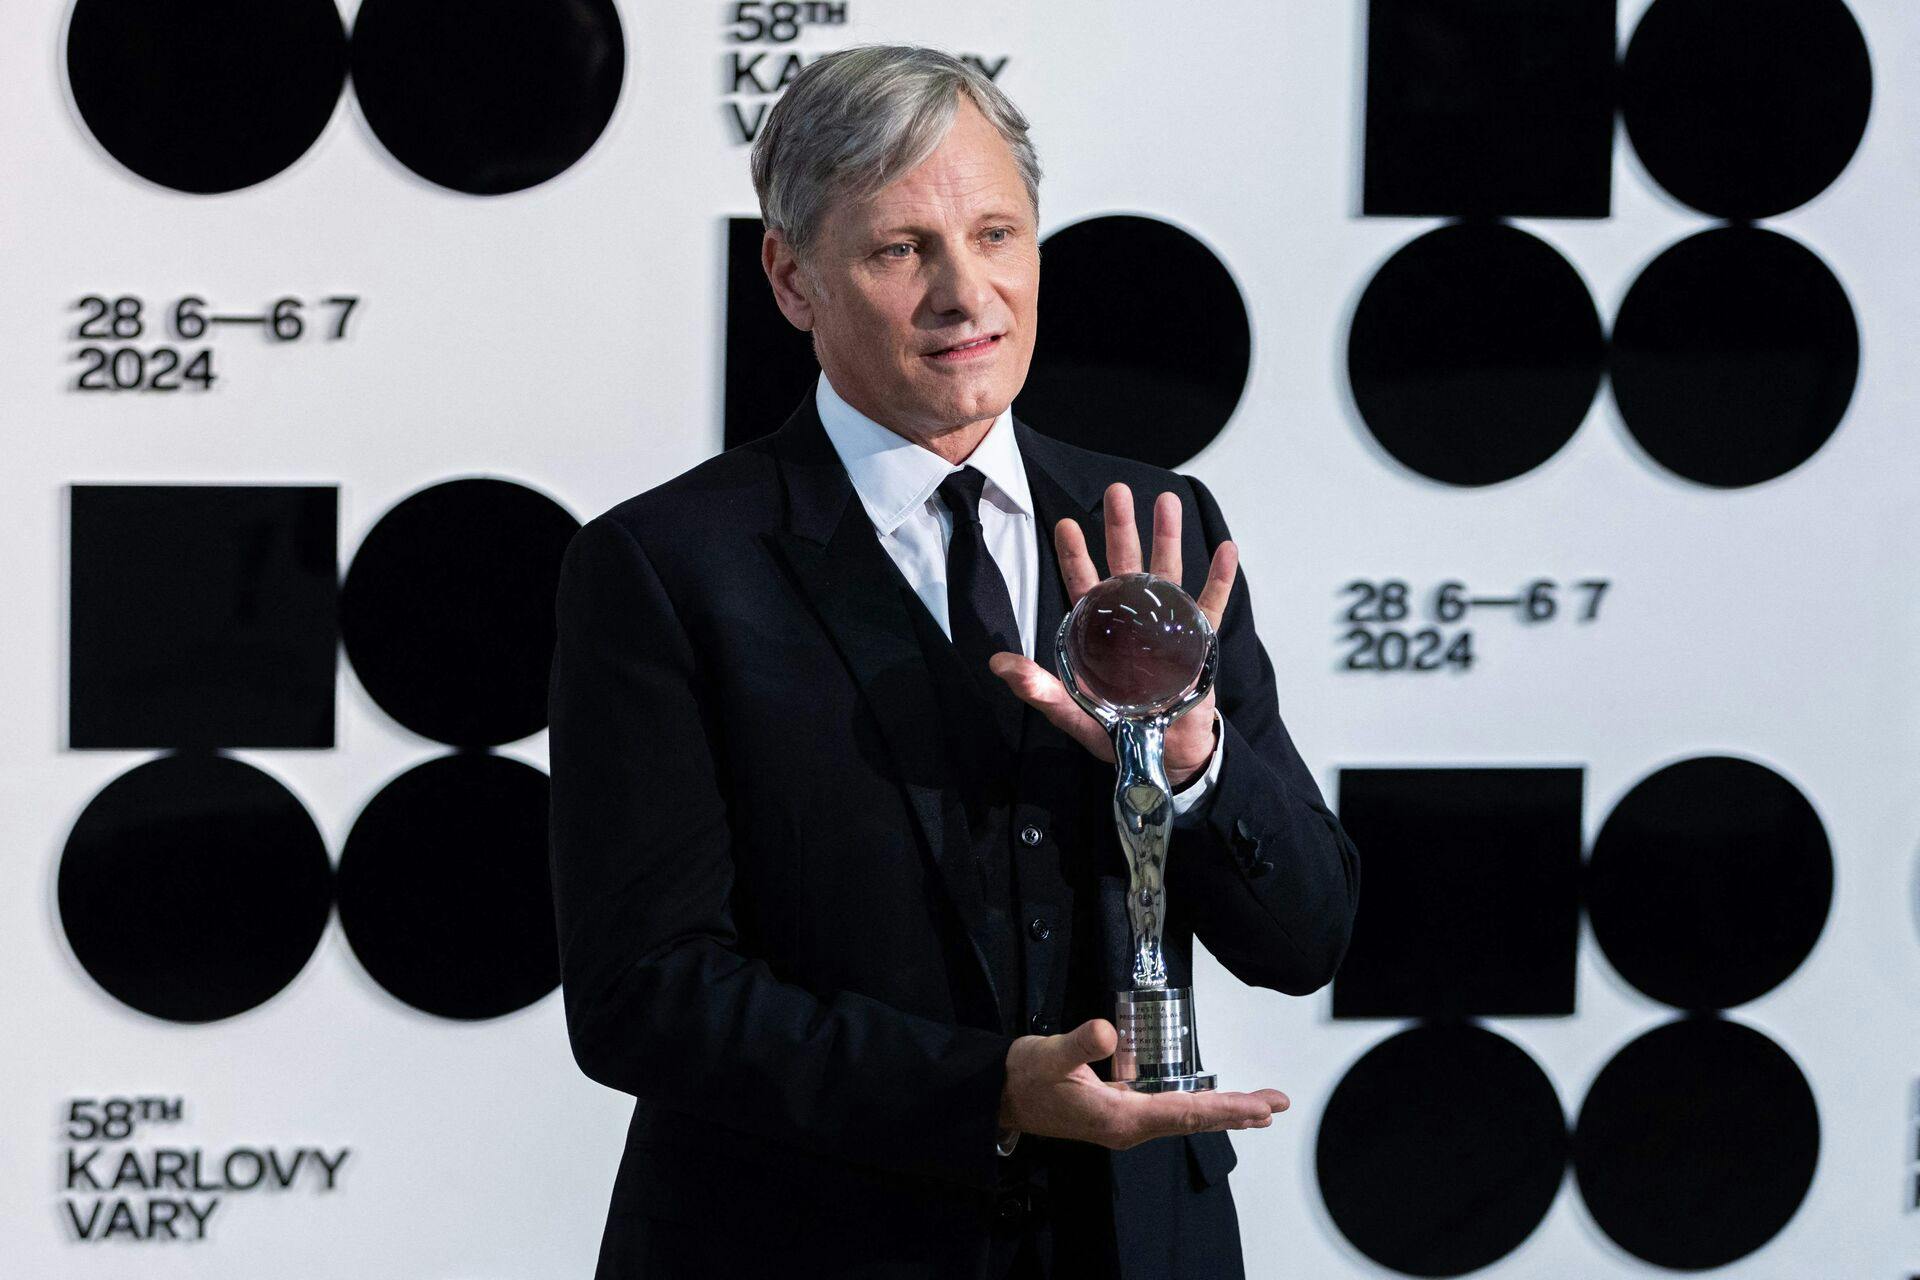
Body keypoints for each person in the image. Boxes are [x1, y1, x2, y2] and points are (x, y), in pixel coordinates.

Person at [547, 43, 1361, 1280]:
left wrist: (1192, 758)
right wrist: (991, 1089)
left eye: (997, 234)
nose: (965, 293)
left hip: (1136, 1245)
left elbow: (1306, 935)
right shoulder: (667, 567)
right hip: (798, 1247)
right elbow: (643, 994)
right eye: (898, 249)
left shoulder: (1158, 530)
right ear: (790, 277)